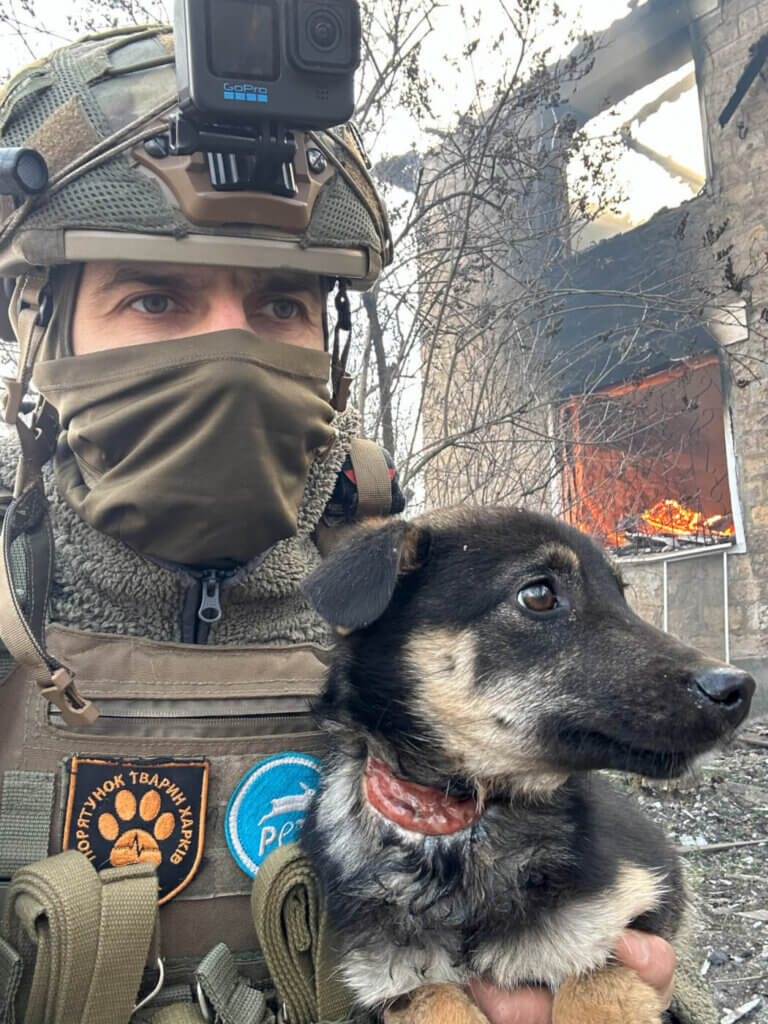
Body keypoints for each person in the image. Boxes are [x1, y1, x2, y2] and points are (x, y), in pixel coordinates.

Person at [0, 23, 707, 1024]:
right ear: (37, 326)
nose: (233, 356)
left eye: (281, 301)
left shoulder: (422, 604)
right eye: (156, 298)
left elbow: (645, 937)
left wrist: (633, 992)